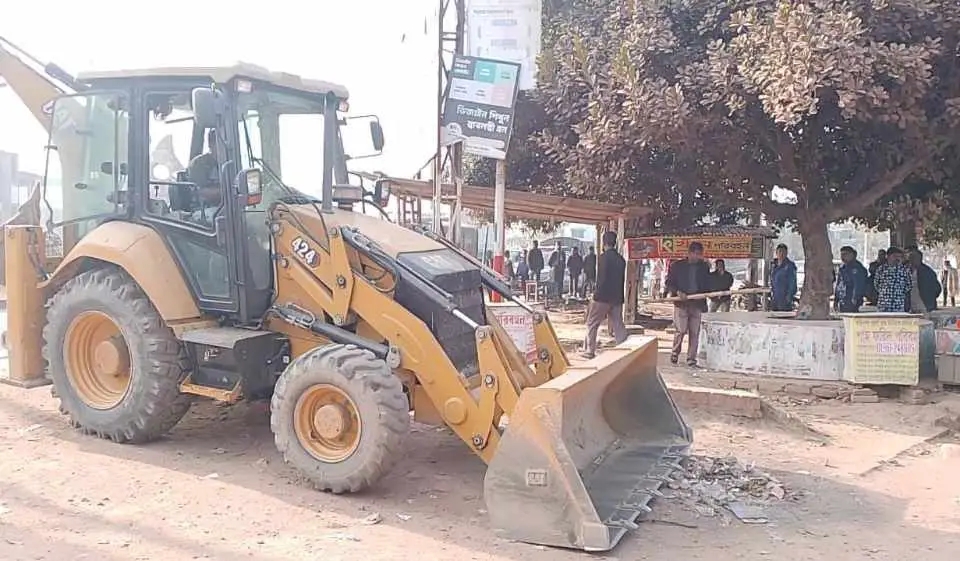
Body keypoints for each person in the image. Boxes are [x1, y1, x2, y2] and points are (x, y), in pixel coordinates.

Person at [665, 241, 712, 366]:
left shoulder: (704, 267)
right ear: (689, 253)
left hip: (697, 303)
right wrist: (677, 292)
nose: (697, 256)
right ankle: (675, 352)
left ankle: (691, 358)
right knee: (680, 330)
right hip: (681, 303)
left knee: (694, 332)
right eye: (695, 253)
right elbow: (669, 283)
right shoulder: (677, 266)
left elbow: (708, 284)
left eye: (699, 254)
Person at [582, 231, 628, 358]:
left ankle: (590, 351)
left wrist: (595, 295)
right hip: (617, 297)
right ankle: (625, 351)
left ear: (604, 243)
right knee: (618, 325)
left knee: (592, 323)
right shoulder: (621, 260)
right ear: (615, 243)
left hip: (602, 297)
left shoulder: (603, 258)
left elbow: (601, 279)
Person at [874, 247, 912, 313]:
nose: (897, 258)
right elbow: (876, 284)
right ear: (888, 256)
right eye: (895, 256)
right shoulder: (881, 269)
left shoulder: (904, 270)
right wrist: (885, 292)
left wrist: (898, 292)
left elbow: (909, 285)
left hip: (898, 305)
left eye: (899, 257)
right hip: (883, 304)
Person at [833, 246, 868, 313]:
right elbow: (838, 284)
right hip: (842, 299)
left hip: (851, 299)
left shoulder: (857, 268)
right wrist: (836, 300)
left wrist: (855, 297)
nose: (842, 257)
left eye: (845, 254)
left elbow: (859, 285)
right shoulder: (842, 268)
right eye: (841, 254)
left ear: (851, 254)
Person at [770, 243, 798, 312]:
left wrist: (789, 297)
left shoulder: (789, 266)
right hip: (775, 298)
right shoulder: (774, 265)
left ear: (786, 253)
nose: (781, 254)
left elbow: (792, 283)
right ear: (776, 253)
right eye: (780, 251)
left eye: (784, 252)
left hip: (785, 299)